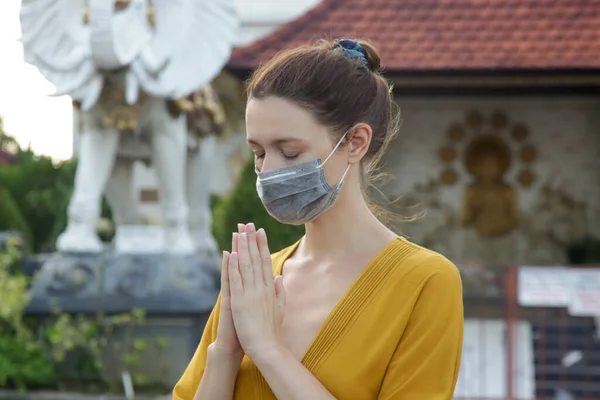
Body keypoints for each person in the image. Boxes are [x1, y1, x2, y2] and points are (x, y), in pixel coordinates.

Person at [173, 39, 464, 400]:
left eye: (290, 151)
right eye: (259, 153)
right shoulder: (253, 279)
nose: (268, 171)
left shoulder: (425, 283)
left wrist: (267, 349)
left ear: (355, 142)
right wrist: (226, 353)